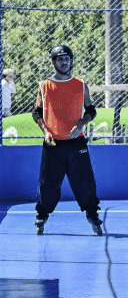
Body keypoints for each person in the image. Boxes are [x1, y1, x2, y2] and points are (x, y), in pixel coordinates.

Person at [32, 45, 102, 235]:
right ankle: (42, 215)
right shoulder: (44, 86)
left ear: (71, 61)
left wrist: (81, 123)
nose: (64, 62)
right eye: (60, 59)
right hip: (53, 144)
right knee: (48, 183)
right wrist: (45, 131)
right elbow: (37, 113)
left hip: (76, 142)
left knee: (85, 181)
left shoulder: (80, 85)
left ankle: (92, 214)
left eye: (67, 59)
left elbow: (91, 111)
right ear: (54, 62)